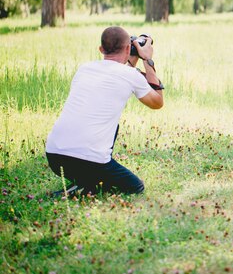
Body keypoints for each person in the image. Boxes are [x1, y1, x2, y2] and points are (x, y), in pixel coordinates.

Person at [45, 26, 164, 195]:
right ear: (128, 48)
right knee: (136, 187)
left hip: (55, 157)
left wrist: (132, 56)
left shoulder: (84, 69)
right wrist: (147, 59)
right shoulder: (131, 76)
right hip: (89, 161)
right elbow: (157, 102)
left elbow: (120, 72)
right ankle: (87, 186)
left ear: (101, 49)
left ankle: (83, 183)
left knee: (111, 127)